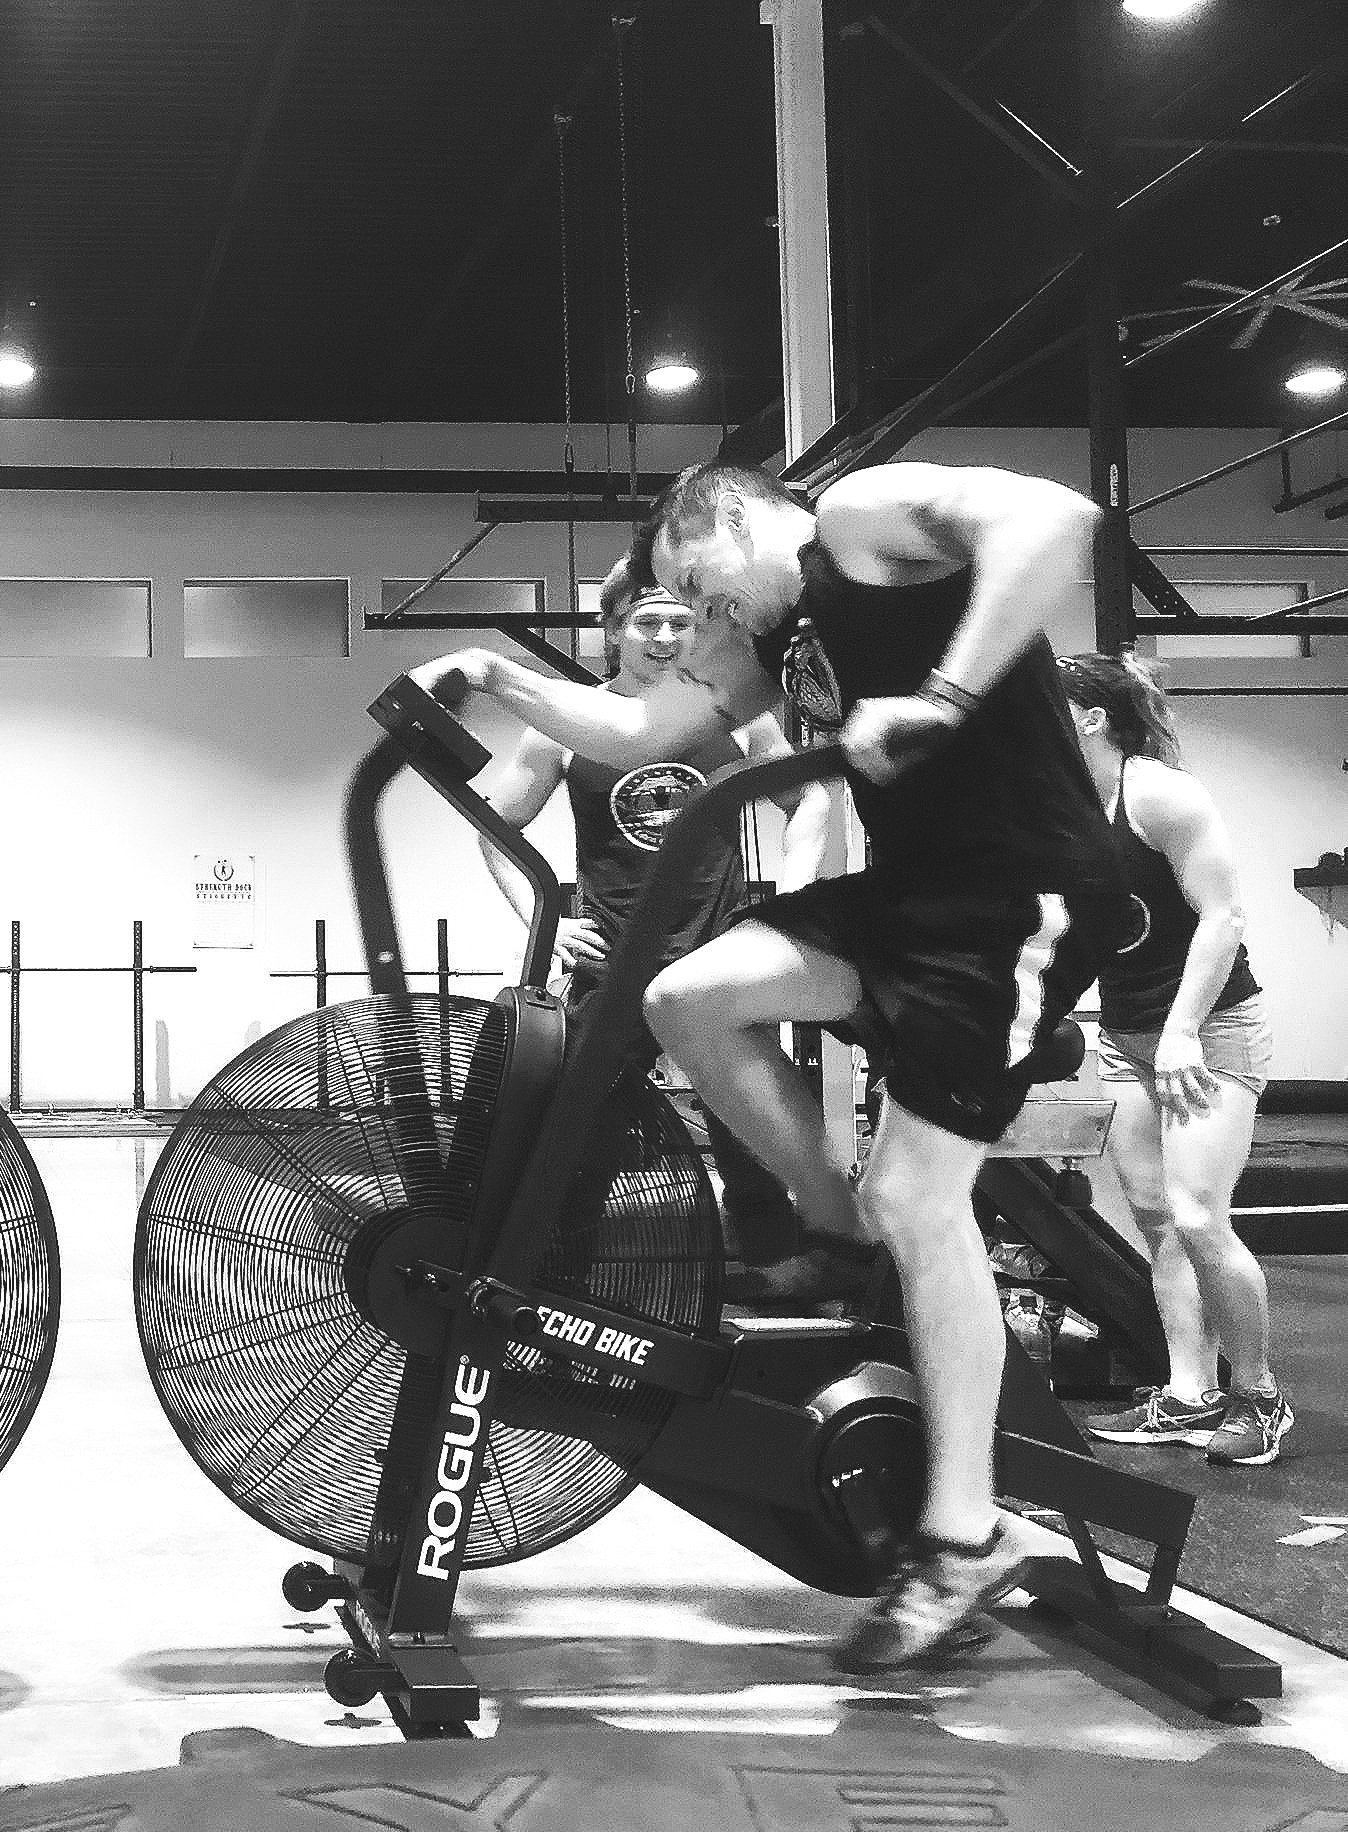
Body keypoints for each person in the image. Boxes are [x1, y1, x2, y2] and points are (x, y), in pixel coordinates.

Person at [416, 458, 1120, 1673]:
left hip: (1016, 899)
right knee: (685, 997)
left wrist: (942, 699)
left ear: (730, 517)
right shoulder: (771, 640)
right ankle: (831, 1226)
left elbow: (1059, 517)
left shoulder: (857, 523)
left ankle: (967, 1535)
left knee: (921, 1197)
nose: (705, 616)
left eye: (701, 587)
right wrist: (492, 674)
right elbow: (639, 728)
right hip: (909, 897)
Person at [474, 562, 829, 1281]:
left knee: (747, 1126)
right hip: (612, 960)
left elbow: (811, 800)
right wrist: (546, 923)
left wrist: (789, 902)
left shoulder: (735, 716)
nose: (666, 636)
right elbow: (495, 825)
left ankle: (776, 1272)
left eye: (681, 622)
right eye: (648, 621)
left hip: (716, 956)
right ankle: (557, 1278)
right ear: (614, 631)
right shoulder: (567, 728)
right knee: (582, 1131)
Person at [1059, 652, 1287, 1466]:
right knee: (1158, 1221)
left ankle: (1259, 1396)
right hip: (1127, 1037)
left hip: (1209, 1030)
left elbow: (1223, 917)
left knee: (1197, 1215)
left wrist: (1183, 1029)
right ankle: (1190, 1394)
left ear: (1092, 717)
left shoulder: (1157, 794)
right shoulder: (1064, 805)